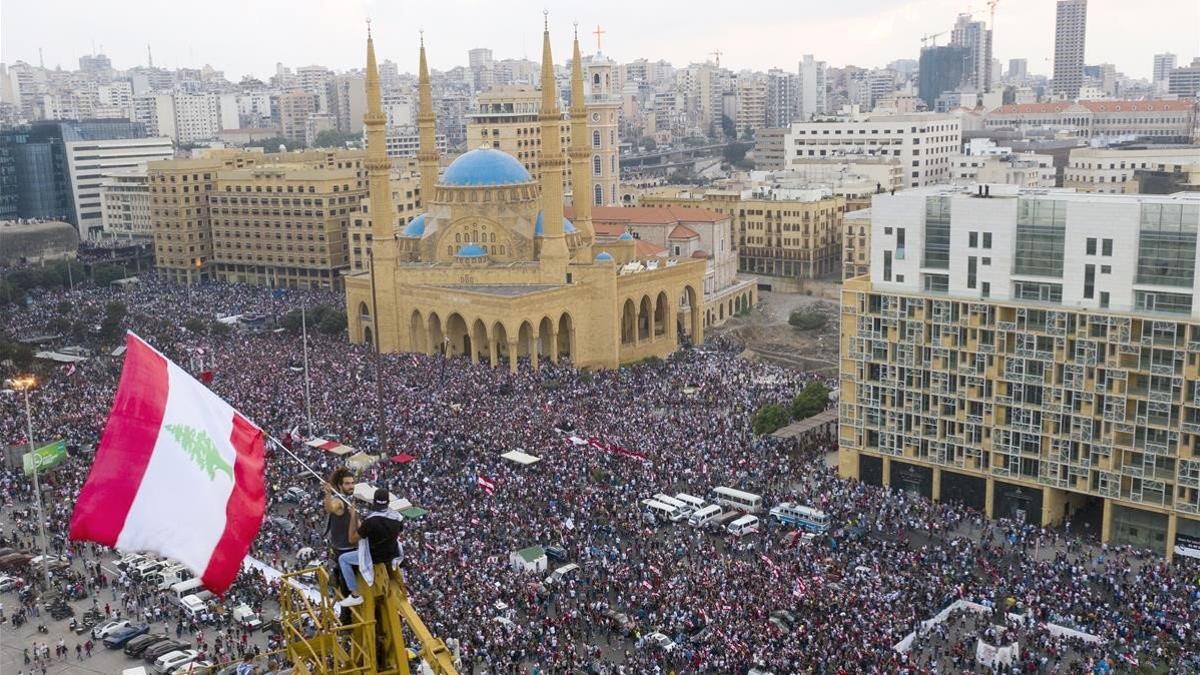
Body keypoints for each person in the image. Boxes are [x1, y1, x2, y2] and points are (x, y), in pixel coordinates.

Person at [335, 488, 403, 609]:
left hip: (374, 557)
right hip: (391, 554)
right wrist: (358, 520)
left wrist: (352, 517)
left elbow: (352, 538)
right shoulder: (397, 518)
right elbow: (369, 530)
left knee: (343, 559)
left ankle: (355, 595)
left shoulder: (371, 521)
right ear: (388, 502)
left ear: (374, 502)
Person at [323, 468, 356, 591]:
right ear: (340, 485)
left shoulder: (350, 498)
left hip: (351, 547)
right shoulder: (339, 501)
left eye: (352, 483)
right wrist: (327, 494)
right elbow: (330, 508)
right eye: (347, 484)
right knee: (346, 588)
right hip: (344, 550)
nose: (351, 486)